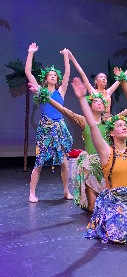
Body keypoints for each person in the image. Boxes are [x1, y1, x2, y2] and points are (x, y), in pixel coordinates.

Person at [71, 77, 127, 244]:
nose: (123, 127)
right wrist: (82, 99)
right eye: (119, 126)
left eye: (125, 125)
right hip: (114, 200)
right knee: (122, 233)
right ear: (112, 133)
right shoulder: (106, 151)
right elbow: (92, 124)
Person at [29, 82, 127, 211]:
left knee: (109, 205)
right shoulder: (84, 120)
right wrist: (46, 97)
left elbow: (125, 112)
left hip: (107, 165)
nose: (99, 103)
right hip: (91, 166)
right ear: (90, 106)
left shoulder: (109, 122)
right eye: (96, 102)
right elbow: (64, 110)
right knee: (93, 208)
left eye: (101, 102)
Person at [25, 42, 73, 203]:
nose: (53, 76)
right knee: (39, 161)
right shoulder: (41, 91)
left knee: (64, 162)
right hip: (45, 127)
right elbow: (28, 72)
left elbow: (67, 73)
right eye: (50, 74)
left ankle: (66, 191)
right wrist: (31, 53)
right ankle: (32, 193)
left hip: (59, 127)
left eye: (54, 75)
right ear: (46, 79)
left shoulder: (61, 91)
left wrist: (66, 56)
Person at [67, 51, 125, 120]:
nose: (104, 78)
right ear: (96, 81)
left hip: (108, 121)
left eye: (105, 78)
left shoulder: (108, 92)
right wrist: (73, 59)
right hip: (97, 121)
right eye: (101, 77)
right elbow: (82, 73)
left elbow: (120, 80)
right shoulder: (93, 91)